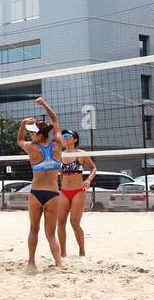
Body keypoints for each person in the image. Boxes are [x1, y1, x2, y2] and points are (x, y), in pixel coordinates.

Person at [16, 96, 64, 269]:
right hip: (52, 194)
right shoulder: (57, 145)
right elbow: (55, 119)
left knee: (33, 229)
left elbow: (19, 140)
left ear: (39, 134)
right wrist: (43, 104)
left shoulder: (32, 148)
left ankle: (31, 262)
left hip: (36, 193)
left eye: (32, 132)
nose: (30, 134)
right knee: (51, 234)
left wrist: (22, 124)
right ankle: (59, 264)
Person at [57, 129, 95, 257]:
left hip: (78, 191)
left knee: (74, 222)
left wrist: (88, 179)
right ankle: (63, 253)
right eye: (64, 136)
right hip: (64, 191)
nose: (66, 138)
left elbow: (93, 168)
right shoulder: (61, 155)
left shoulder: (81, 154)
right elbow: (61, 173)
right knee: (60, 221)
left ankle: (82, 251)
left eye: (68, 136)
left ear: (75, 139)